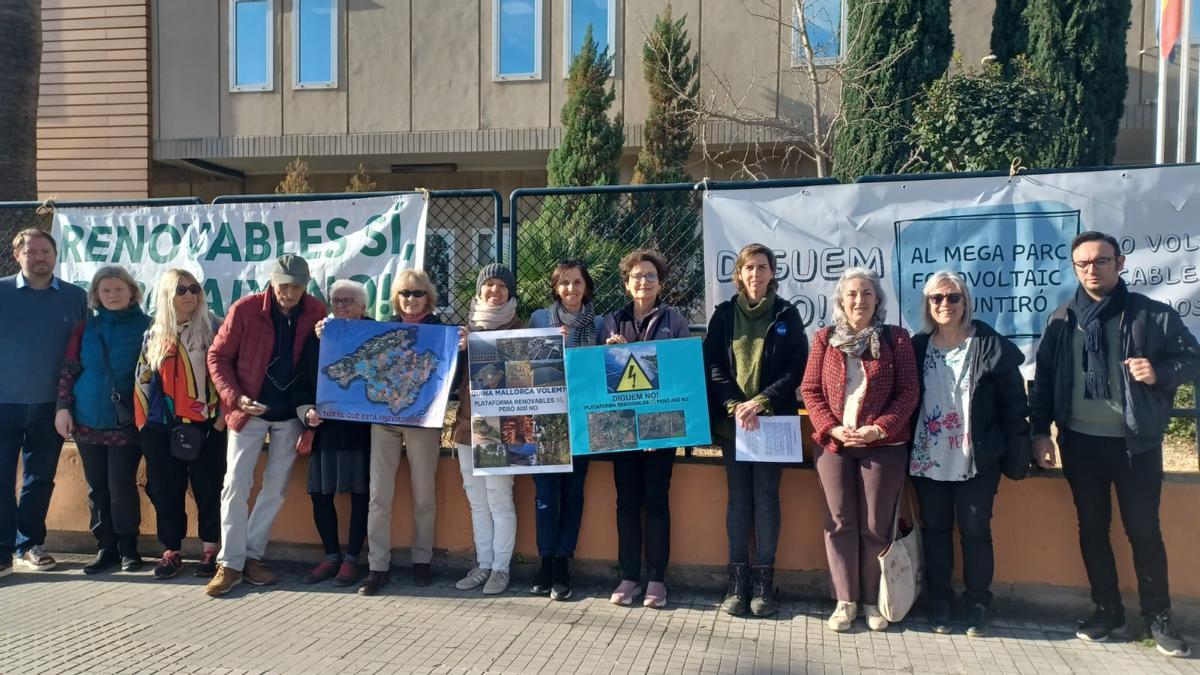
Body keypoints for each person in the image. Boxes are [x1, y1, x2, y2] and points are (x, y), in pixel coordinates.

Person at [1030, 231, 1200, 658]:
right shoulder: (1061, 318)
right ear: (1074, 268)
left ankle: (1158, 617)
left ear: (1119, 263)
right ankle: (1108, 610)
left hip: (1135, 445)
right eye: (1083, 263)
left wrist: (1158, 372)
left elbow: (1192, 358)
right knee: (1092, 529)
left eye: (1101, 261)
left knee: (1143, 531)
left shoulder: (1150, 315)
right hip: (1080, 444)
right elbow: (1046, 381)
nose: (1092, 270)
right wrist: (1039, 432)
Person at [908, 271, 1031, 637]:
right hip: (928, 457)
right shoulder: (917, 347)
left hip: (976, 457)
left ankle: (977, 602)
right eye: (937, 298)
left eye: (953, 297)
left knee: (976, 531)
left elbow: (1014, 404)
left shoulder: (989, 345)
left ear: (966, 302)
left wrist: (1021, 449)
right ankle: (940, 601)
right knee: (936, 530)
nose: (945, 304)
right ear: (928, 305)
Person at [800, 267, 919, 633]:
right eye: (852, 294)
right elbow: (810, 390)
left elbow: (909, 393)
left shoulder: (897, 340)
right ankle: (845, 601)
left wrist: (877, 429)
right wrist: (832, 427)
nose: (859, 300)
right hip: (834, 444)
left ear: (878, 301)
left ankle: (871, 601)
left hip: (882, 446)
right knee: (839, 523)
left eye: (867, 293)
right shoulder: (824, 339)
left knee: (875, 525)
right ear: (840, 301)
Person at [204, 254, 325, 596]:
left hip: (290, 415)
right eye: (284, 285)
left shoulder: (316, 311)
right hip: (249, 411)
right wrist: (236, 398)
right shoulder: (246, 309)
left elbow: (324, 355)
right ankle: (229, 563)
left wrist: (326, 334)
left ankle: (251, 557)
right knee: (235, 486)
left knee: (274, 490)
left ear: (306, 286)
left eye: (297, 286)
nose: (290, 293)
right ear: (272, 282)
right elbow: (218, 356)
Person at [703, 243, 808, 618]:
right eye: (749, 268)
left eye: (762, 267)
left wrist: (761, 401)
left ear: (771, 273)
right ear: (739, 274)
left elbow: (796, 367)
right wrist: (734, 405)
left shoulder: (787, 314)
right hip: (735, 426)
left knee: (766, 498)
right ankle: (737, 580)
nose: (755, 274)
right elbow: (713, 364)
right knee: (738, 500)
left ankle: (764, 580)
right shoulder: (723, 315)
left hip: (771, 422)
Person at [601, 249, 691, 609]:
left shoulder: (676, 320)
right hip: (621, 428)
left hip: (661, 428)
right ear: (627, 284)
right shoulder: (611, 321)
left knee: (656, 502)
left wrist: (658, 428)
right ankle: (628, 577)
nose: (644, 281)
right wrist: (612, 351)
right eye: (637, 276)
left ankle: (656, 579)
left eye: (650, 276)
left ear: (660, 283)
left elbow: (682, 373)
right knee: (626, 502)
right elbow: (601, 375)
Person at [0, 228, 87, 578]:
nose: (39, 258)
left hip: (52, 407)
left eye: (45, 251)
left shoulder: (74, 297)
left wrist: (68, 403)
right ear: (17, 255)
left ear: (55, 255)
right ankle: (3, 550)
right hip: (3, 404)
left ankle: (28, 544)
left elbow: (80, 351)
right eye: (32, 252)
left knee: (40, 479)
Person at [54, 265, 151, 574]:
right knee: (97, 487)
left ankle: (128, 548)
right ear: (96, 294)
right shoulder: (85, 328)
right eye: (105, 290)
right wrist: (63, 407)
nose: (112, 295)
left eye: (119, 289)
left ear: (133, 292)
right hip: (86, 418)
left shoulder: (149, 326)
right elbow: (69, 369)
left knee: (121, 483)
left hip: (126, 420)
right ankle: (105, 547)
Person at [133, 269, 227, 579]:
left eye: (194, 288)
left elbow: (230, 375)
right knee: (165, 491)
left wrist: (221, 420)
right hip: (162, 427)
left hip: (206, 425)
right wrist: (145, 425)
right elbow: (143, 378)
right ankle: (171, 551)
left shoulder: (215, 328)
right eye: (180, 290)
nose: (189, 295)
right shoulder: (155, 333)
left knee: (208, 489)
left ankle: (211, 549)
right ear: (166, 296)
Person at [359, 270, 447, 595]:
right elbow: (350, 338)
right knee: (378, 495)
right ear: (396, 298)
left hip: (424, 420)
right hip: (384, 418)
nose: (412, 299)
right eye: (405, 294)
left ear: (429, 297)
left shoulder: (443, 332)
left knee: (424, 494)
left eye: (418, 293)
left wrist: (464, 346)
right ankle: (377, 566)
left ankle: (422, 560)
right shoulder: (383, 330)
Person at [528, 260, 603, 601]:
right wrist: (544, 344)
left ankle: (563, 562)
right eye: (564, 284)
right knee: (546, 496)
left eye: (577, 283)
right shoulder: (539, 320)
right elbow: (521, 369)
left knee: (573, 494)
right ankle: (545, 560)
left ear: (586, 287)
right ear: (556, 288)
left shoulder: (600, 324)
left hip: (584, 420)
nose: (571, 289)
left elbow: (606, 369)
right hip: (546, 420)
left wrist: (612, 345)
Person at [451, 263, 524, 596]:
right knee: (476, 500)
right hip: (468, 427)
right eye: (489, 286)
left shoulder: (521, 329)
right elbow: (446, 385)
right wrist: (458, 352)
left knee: (498, 498)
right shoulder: (464, 332)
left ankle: (501, 568)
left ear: (510, 294)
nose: (495, 291)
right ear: (479, 292)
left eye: (502, 287)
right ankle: (483, 564)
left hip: (503, 427)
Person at [294, 280, 373, 588]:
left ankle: (352, 560)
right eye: (336, 301)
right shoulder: (319, 337)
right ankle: (331, 557)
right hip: (325, 429)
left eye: (348, 301)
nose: (340, 306)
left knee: (360, 494)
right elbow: (300, 384)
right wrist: (306, 412)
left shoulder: (377, 334)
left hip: (362, 431)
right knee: (319, 493)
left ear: (364, 307)